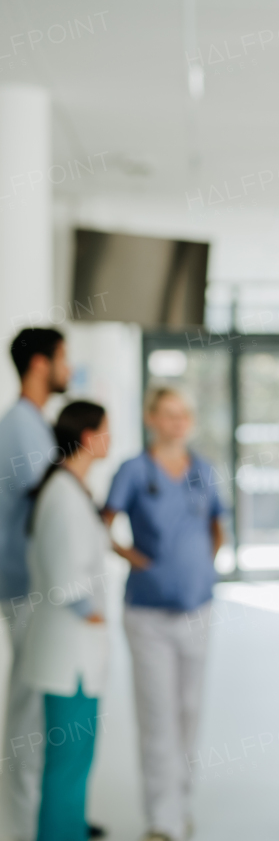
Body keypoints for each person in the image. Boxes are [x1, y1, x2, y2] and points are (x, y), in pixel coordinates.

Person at [102, 387, 226, 841]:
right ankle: (161, 818)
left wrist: (201, 565)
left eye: (184, 415)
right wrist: (136, 559)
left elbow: (218, 523)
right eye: (168, 414)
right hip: (148, 611)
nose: (177, 423)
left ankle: (182, 802)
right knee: (157, 715)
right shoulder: (134, 470)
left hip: (198, 605)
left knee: (189, 710)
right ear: (151, 418)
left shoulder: (203, 470)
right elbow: (104, 521)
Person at [19, 402, 111, 841]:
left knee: (73, 761)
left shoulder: (69, 489)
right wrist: (90, 614)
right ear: (89, 438)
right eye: (106, 431)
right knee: (68, 764)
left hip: (73, 653)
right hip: (70, 655)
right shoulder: (64, 496)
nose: (110, 438)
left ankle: (67, 831)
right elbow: (65, 580)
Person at [0, 328, 69, 841]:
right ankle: (21, 827)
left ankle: (45, 817)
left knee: (37, 704)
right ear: (42, 364)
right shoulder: (20, 425)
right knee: (27, 708)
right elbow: (48, 503)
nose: (70, 367)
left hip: (34, 585)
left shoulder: (33, 424)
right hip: (24, 586)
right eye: (65, 358)